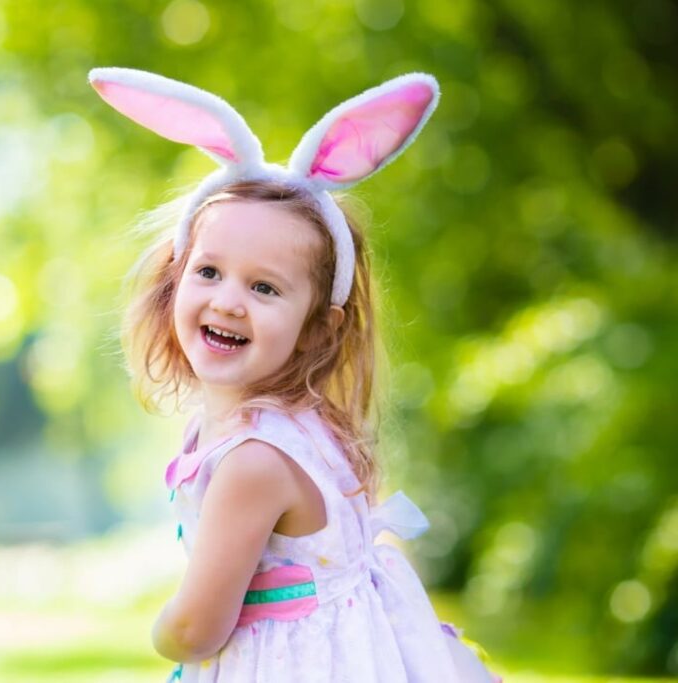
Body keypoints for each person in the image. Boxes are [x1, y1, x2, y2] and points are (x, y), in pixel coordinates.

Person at [89, 67, 503, 683]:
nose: (229, 301)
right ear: (174, 279)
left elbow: (196, 629)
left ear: (317, 329)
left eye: (264, 287)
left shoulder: (254, 461)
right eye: (209, 272)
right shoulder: (289, 429)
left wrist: (163, 627)